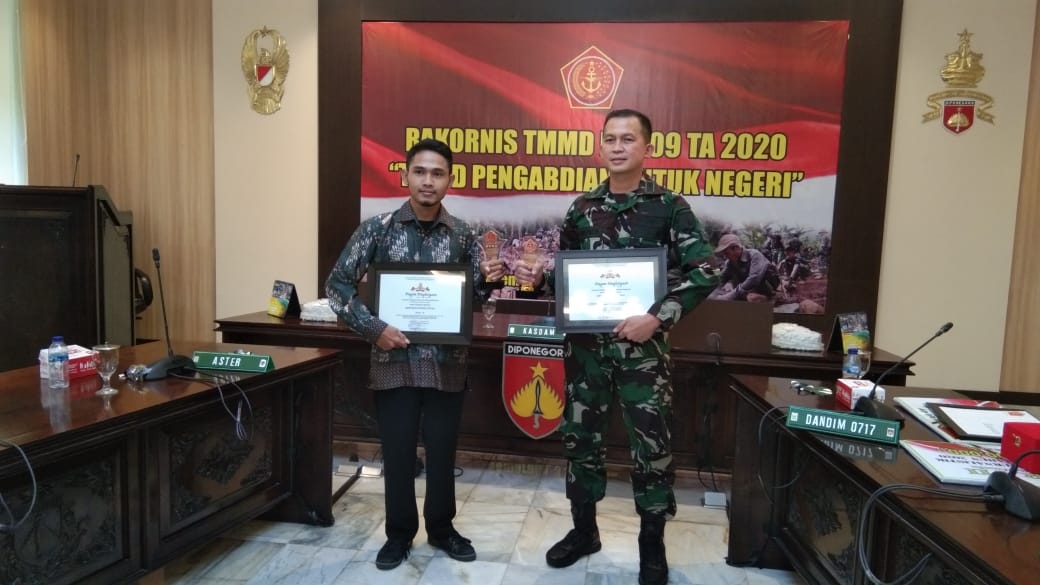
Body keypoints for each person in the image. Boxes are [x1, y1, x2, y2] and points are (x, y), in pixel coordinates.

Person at [487, 109, 718, 585]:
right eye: (609, 139)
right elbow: (569, 277)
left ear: (647, 147)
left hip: (643, 357)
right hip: (586, 354)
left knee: (651, 448)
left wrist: (657, 318)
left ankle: (651, 545)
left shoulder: (670, 207)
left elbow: (706, 271)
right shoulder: (582, 208)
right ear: (601, 147)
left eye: (627, 139)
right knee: (581, 442)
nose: (617, 147)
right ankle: (584, 532)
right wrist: (541, 278)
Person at [325, 138, 492, 571]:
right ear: (405, 176)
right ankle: (399, 535)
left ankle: (442, 529)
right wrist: (374, 329)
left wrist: (490, 280)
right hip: (393, 362)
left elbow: (475, 298)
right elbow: (336, 286)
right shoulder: (377, 229)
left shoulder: (464, 234)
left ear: (450, 180)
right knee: (397, 453)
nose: (428, 181)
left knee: (443, 453)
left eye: (437, 173)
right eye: (420, 171)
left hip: (445, 364)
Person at [710, 233, 779, 302]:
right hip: (748, 292)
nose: (725, 256)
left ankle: (771, 298)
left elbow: (753, 279)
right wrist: (713, 294)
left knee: (752, 298)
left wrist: (729, 296)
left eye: (727, 253)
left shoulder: (754, 255)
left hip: (766, 290)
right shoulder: (730, 262)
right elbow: (722, 279)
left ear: (735, 248)